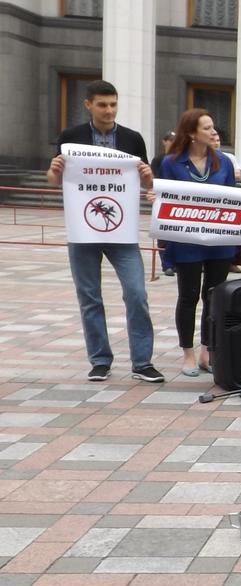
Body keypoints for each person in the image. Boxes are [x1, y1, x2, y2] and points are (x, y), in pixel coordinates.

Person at [49, 80, 163, 383]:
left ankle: (142, 362)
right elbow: (54, 179)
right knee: (89, 297)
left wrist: (148, 177)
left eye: (113, 104)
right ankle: (99, 360)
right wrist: (55, 171)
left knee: (137, 293)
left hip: (122, 232)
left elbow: (147, 183)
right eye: (102, 105)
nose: (109, 110)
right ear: (88, 104)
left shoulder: (131, 138)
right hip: (82, 230)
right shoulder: (71, 138)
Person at [157, 109, 240, 377]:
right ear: (192, 133)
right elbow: (166, 197)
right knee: (189, 296)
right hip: (187, 241)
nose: (213, 132)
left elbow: (231, 196)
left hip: (219, 240)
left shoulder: (223, 162)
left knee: (213, 297)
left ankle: (206, 351)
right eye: (207, 128)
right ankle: (188, 354)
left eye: (213, 127)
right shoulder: (171, 163)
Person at [152, 130, 176, 276]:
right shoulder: (159, 159)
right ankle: (166, 264)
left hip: (176, 200)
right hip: (163, 199)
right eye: (171, 140)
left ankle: (175, 263)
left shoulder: (180, 159)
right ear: (164, 141)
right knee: (163, 234)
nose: (173, 143)